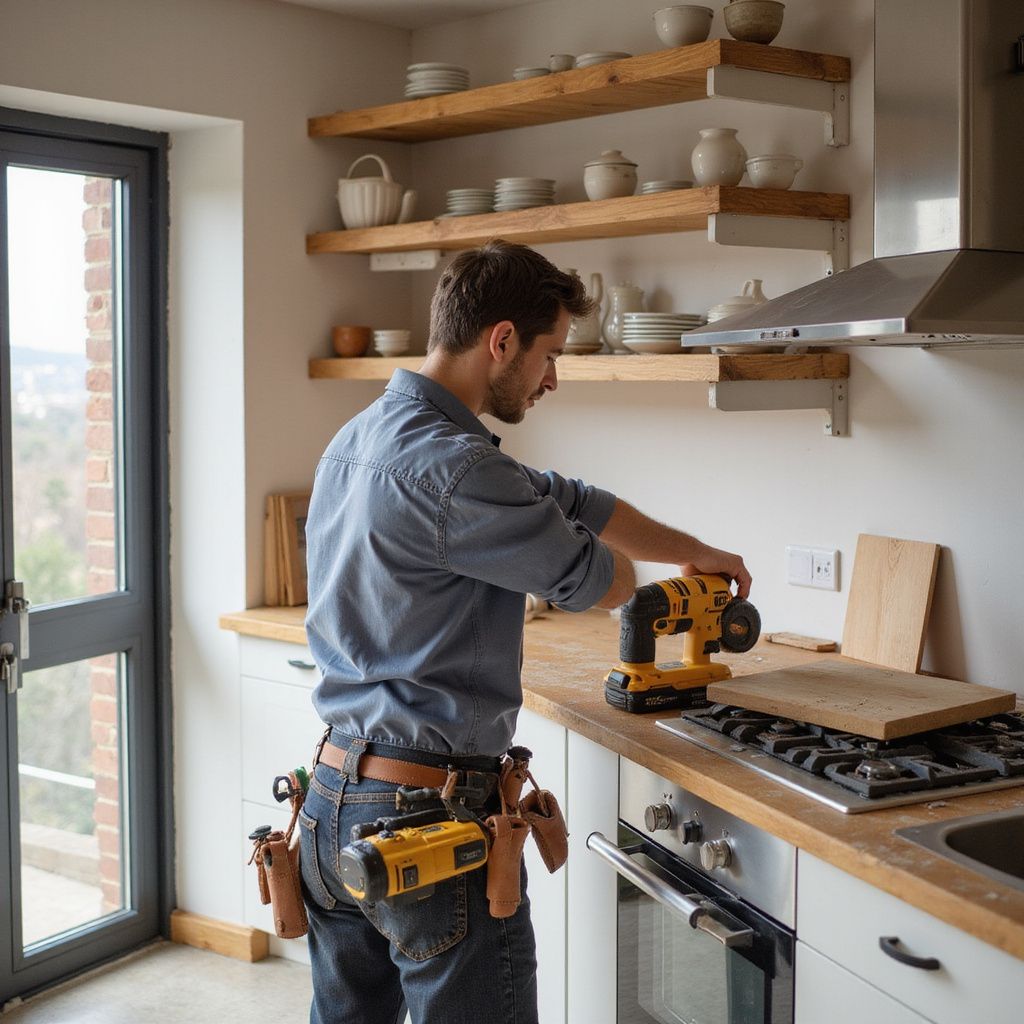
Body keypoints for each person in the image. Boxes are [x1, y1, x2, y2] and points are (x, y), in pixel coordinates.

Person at [300, 239, 751, 1024]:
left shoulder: (362, 436)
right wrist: (635, 573)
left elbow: (570, 497)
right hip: (423, 823)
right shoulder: (461, 470)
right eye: (549, 355)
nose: (552, 379)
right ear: (500, 340)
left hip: (331, 800)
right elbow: (605, 582)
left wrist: (694, 552)